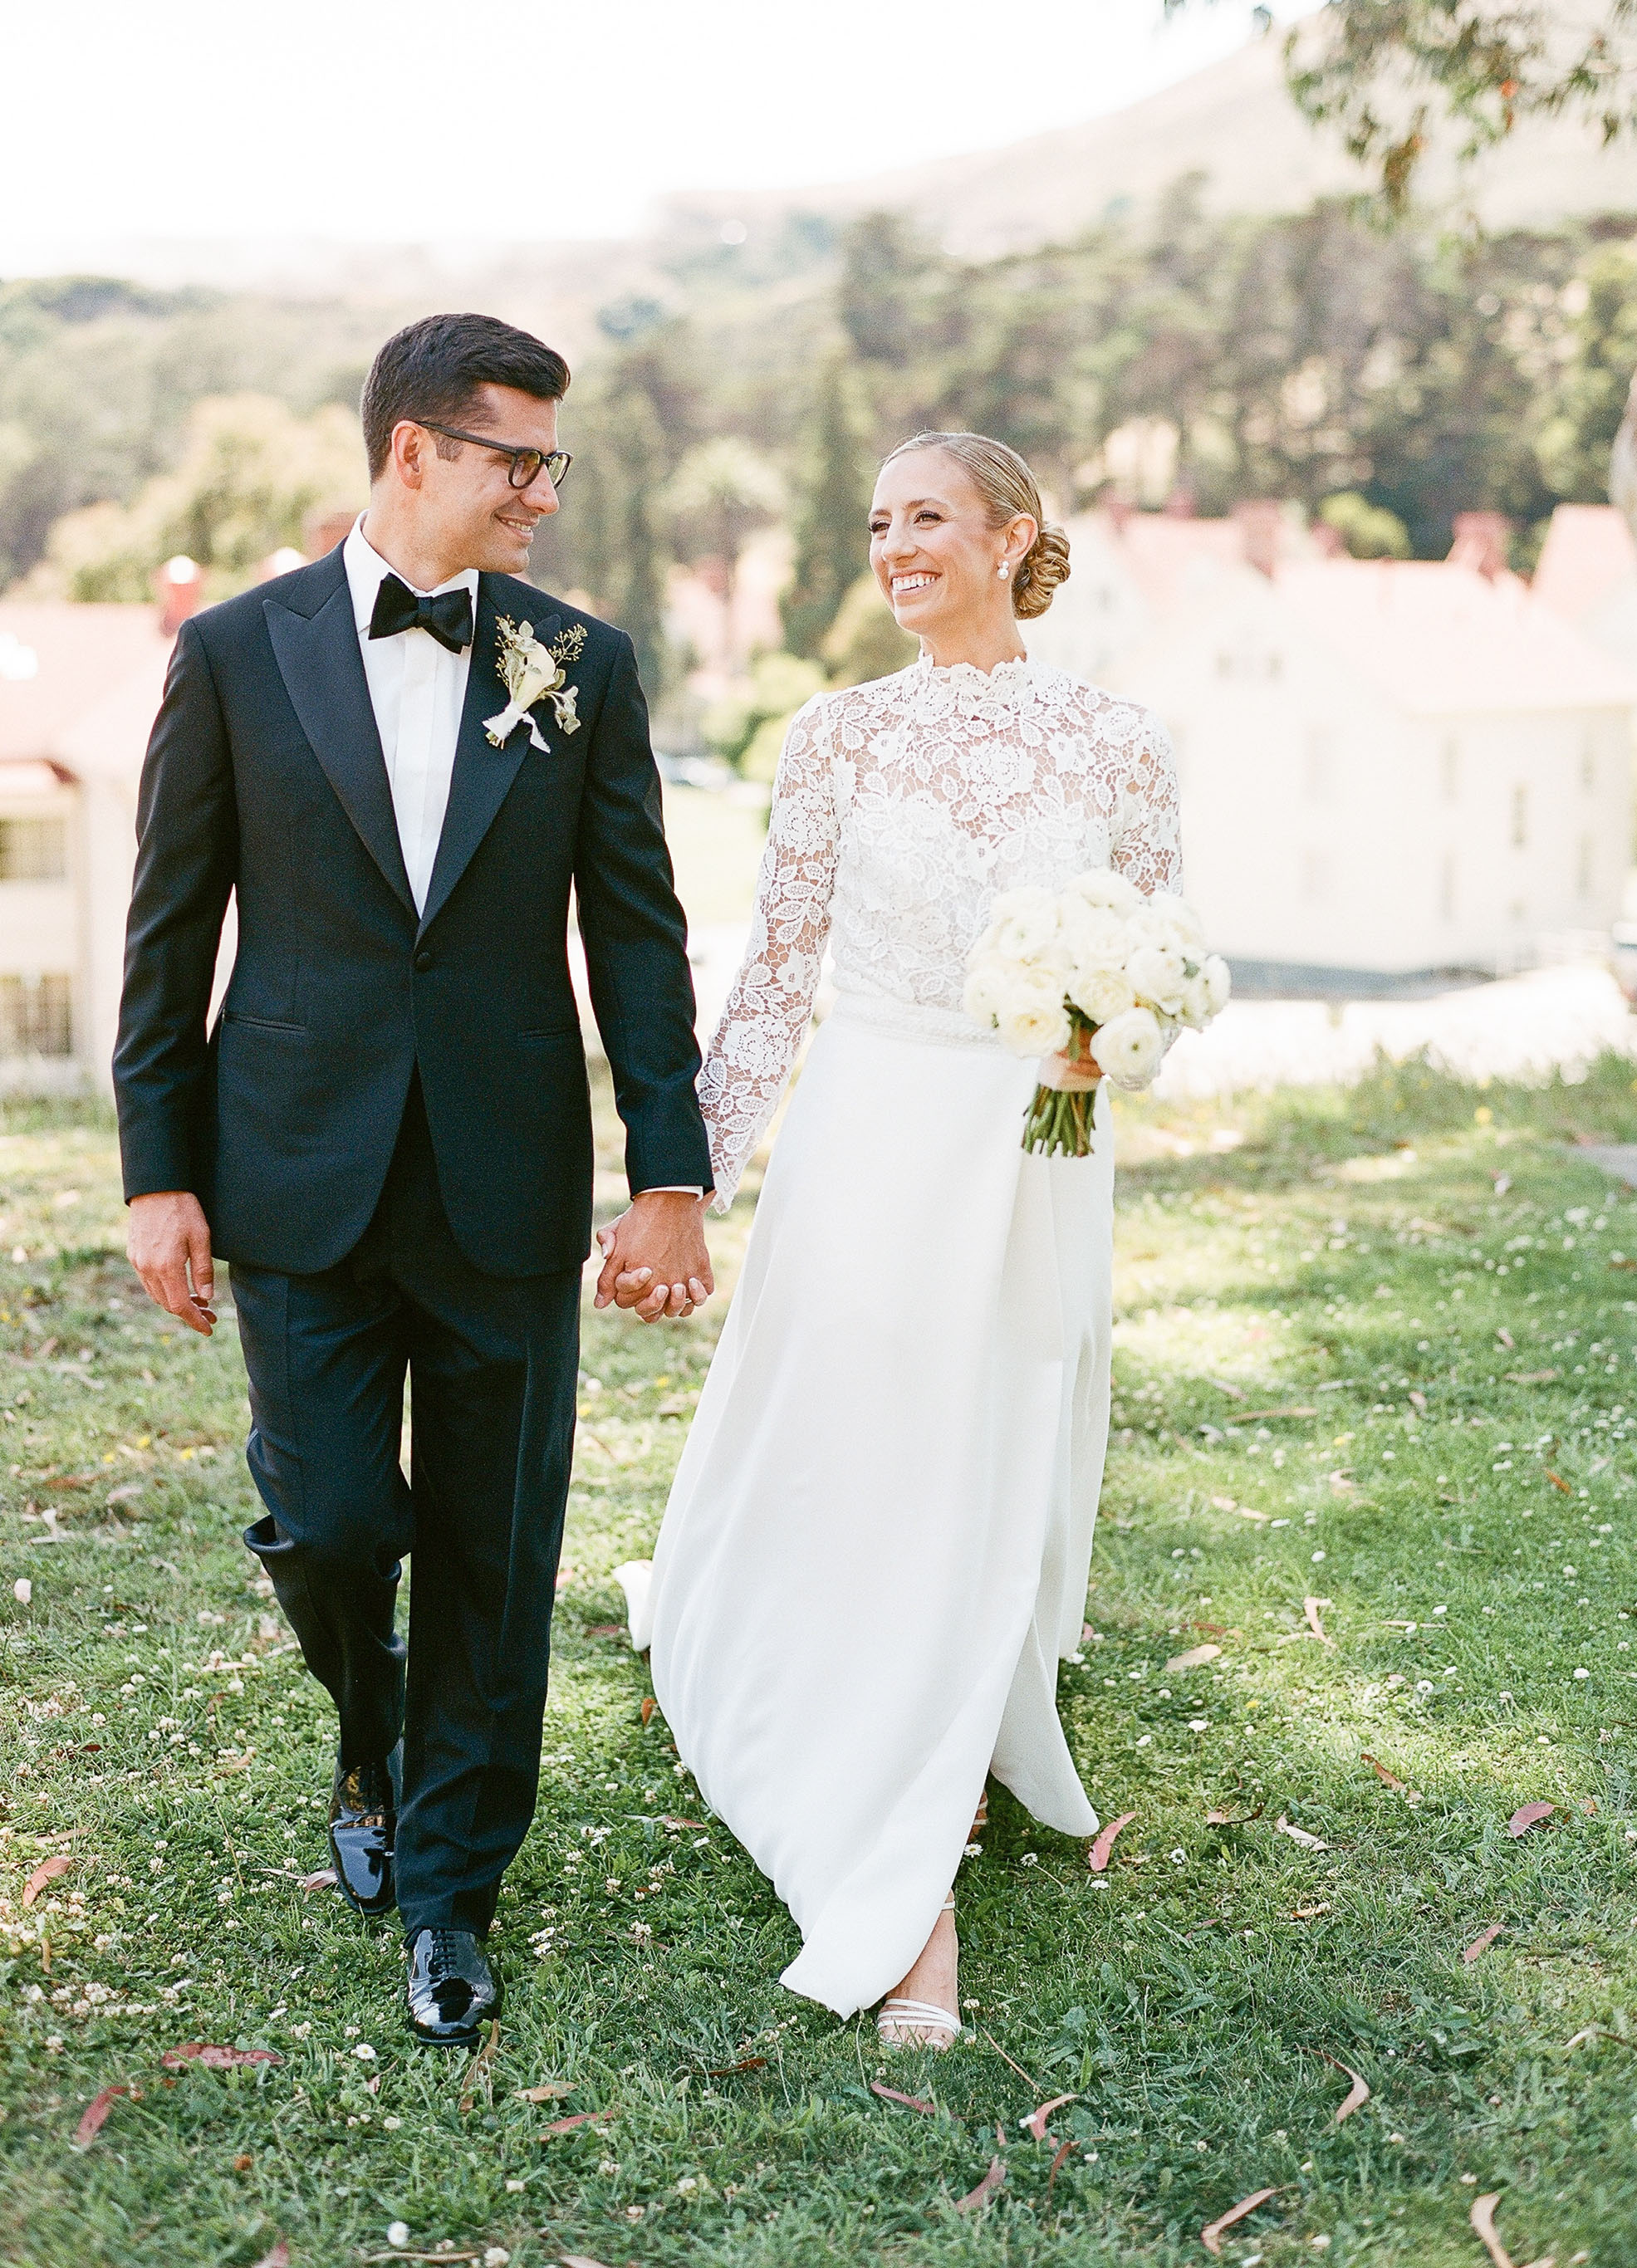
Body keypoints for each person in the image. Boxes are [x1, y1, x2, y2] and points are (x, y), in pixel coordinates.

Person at [114, 311, 714, 2048]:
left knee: (493, 1544)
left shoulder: (578, 661)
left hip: (507, 1176)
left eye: (551, 461)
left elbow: (641, 938)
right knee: (336, 1517)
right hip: (289, 1167)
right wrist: (160, 1172)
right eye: (515, 457)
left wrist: (665, 1169)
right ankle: (368, 1729)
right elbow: (166, 938)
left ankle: (451, 1889)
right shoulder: (236, 653)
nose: (542, 490)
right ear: (411, 454)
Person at [620, 430, 1181, 2048]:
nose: (894, 545)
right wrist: (687, 1184)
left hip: (1036, 1150)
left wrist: (1103, 1042)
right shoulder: (835, 737)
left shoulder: (1116, 741)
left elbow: (1157, 954)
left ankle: (960, 1707)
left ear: (1011, 536)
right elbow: (777, 975)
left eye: (925, 516)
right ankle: (895, 1862)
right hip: (869, 1145)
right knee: (872, 1452)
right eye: (876, 523)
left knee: (988, 1441)